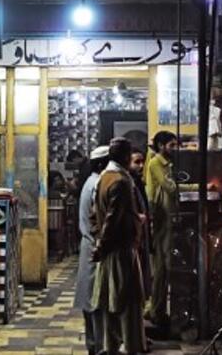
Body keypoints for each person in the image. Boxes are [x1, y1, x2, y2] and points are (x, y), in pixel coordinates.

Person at [91, 138, 147, 355]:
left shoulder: (103, 177)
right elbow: (112, 220)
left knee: (111, 303)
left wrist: (99, 244)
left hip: (110, 249)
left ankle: (111, 347)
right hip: (121, 250)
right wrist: (102, 245)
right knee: (128, 303)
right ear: (125, 156)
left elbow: (96, 214)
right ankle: (131, 347)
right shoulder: (121, 182)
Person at [143, 131, 178, 332]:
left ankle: (155, 308)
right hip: (161, 219)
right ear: (161, 145)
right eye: (172, 145)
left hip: (165, 219)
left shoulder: (164, 164)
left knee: (163, 269)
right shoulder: (157, 163)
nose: (175, 149)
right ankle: (156, 310)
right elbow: (170, 187)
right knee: (162, 267)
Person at [76, 145, 109, 355]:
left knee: (91, 303)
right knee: (97, 304)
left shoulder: (90, 182)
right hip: (95, 248)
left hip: (89, 246)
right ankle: (99, 348)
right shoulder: (97, 184)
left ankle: (93, 346)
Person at [129, 149, 153, 301]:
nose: (141, 165)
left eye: (142, 162)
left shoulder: (138, 182)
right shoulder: (128, 184)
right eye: (136, 162)